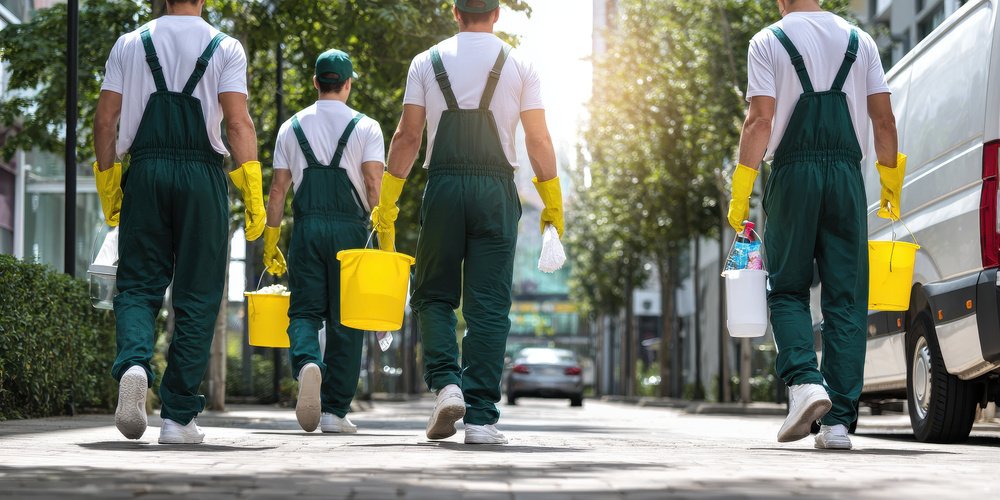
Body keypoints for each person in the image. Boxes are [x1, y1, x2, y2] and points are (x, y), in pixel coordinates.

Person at [370, 0, 563, 445]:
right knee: (489, 305)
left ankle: (447, 383)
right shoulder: (520, 65)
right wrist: (552, 200)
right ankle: (480, 419)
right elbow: (538, 138)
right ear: (497, 14)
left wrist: (388, 199)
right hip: (496, 192)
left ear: (454, 13)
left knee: (433, 293)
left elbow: (408, 136)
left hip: (443, 188)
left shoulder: (426, 61)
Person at [729, 0, 904, 450]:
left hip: (792, 177)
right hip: (847, 177)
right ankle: (839, 425)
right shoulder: (859, 41)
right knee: (846, 297)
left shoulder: (768, 41)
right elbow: (883, 120)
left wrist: (741, 187)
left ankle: (806, 383)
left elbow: (760, 120)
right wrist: (890, 181)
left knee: (787, 288)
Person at [93, 0, 264, 444]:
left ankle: (134, 364)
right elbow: (238, 122)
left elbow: (105, 119)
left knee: (137, 285)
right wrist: (252, 191)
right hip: (202, 178)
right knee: (198, 294)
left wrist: (109, 177)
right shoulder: (225, 46)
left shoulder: (129, 43)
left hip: (145, 172)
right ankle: (178, 418)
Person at [263, 49, 385, 434]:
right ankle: (334, 411)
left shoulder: (290, 128)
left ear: (316, 83)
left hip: (307, 229)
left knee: (303, 311)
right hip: (352, 233)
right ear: (347, 84)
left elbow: (278, 190)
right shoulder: (367, 127)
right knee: (348, 321)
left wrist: (270, 238)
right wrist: (382, 238)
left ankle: (306, 363)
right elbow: (373, 184)